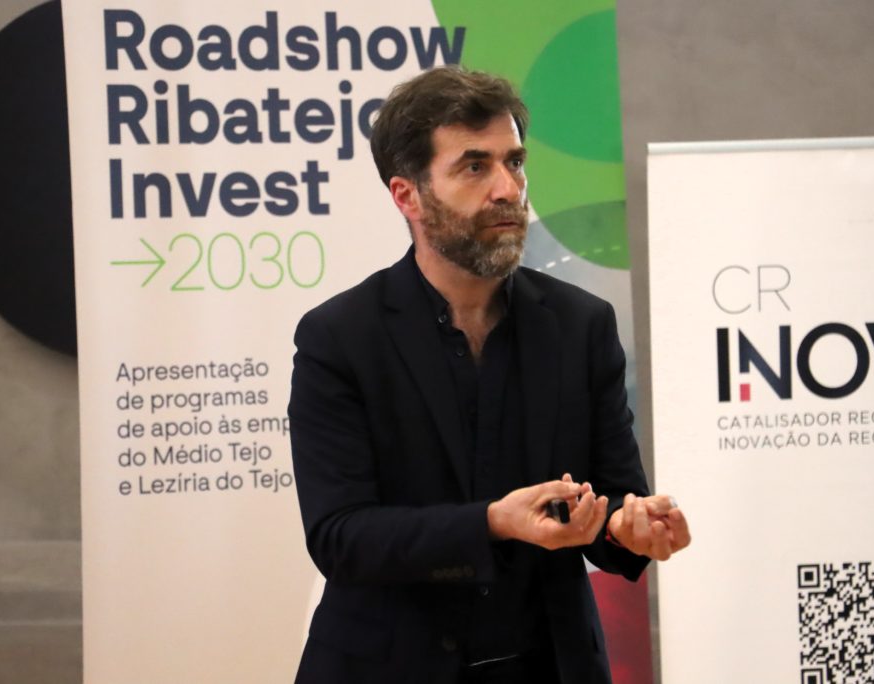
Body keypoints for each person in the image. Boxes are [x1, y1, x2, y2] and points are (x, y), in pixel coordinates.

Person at [288, 65, 690, 684]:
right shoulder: (340, 338)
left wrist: (628, 527)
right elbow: (342, 538)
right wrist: (492, 522)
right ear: (407, 195)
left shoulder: (581, 325)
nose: (508, 189)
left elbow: (609, 499)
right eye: (475, 167)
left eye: (515, 162)